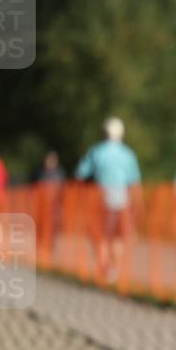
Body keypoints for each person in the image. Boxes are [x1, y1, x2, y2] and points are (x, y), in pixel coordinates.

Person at [76, 117, 143, 284]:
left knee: (102, 235)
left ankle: (104, 269)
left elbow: (80, 173)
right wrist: (137, 205)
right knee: (119, 236)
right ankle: (114, 269)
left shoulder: (95, 151)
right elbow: (134, 182)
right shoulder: (127, 154)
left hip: (100, 198)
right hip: (122, 199)